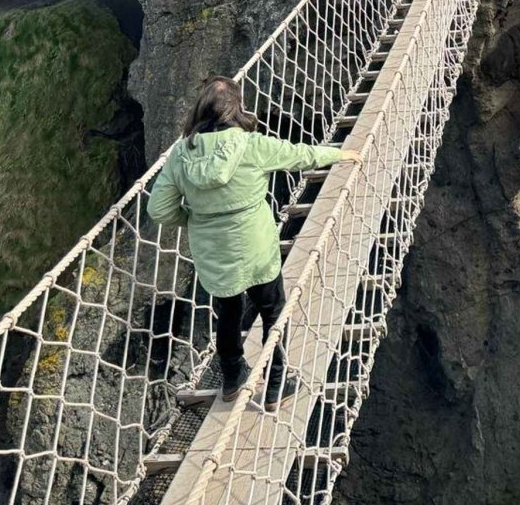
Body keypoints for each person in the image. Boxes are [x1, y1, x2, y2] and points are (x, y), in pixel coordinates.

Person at [148, 77, 361, 408]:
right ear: (237, 108)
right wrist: (341, 154)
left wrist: (194, 219)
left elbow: (159, 209)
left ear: (200, 109)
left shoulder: (180, 155)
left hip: (215, 256)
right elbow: (300, 155)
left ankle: (233, 379)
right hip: (257, 249)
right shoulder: (251, 145)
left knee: (228, 314)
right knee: (273, 311)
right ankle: (276, 384)